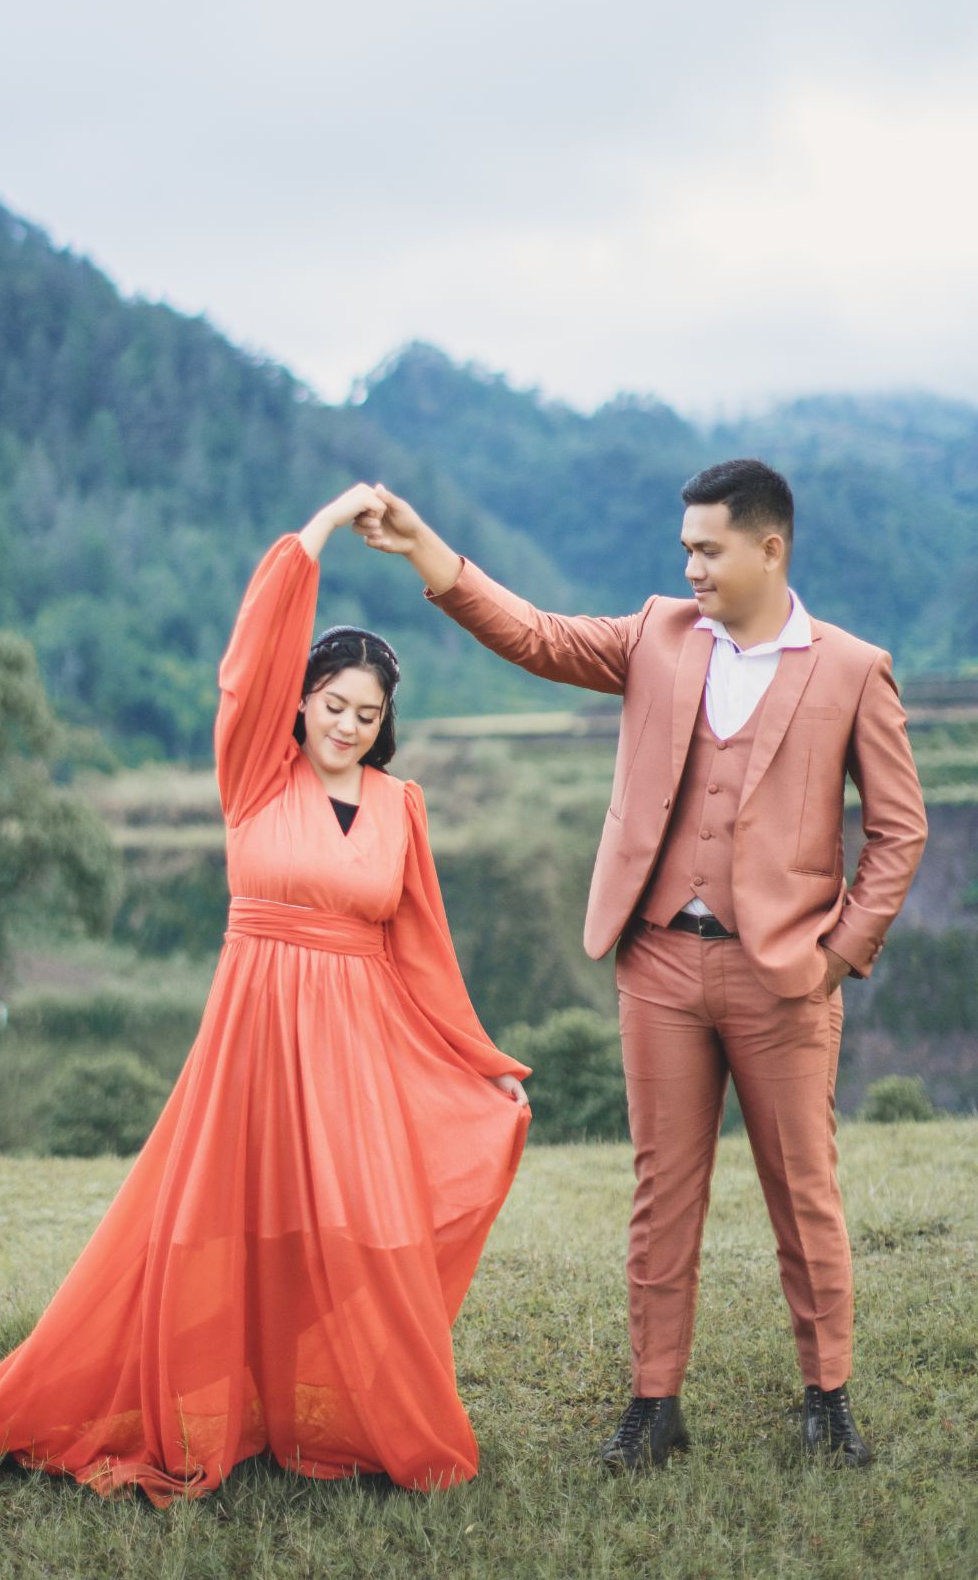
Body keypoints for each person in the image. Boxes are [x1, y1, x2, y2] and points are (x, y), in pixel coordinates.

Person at [0, 483, 530, 1504]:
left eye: (368, 714)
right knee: (221, 1220)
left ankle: (364, 1420)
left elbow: (422, 953)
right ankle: (211, 1407)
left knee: (366, 1230)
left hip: (354, 1048)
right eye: (333, 705)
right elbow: (250, 659)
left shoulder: (401, 806)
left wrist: (479, 1065)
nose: (348, 725)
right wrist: (319, 529)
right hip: (256, 1035)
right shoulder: (255, 777)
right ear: (299, 702)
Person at [358, 459, 927, 1472]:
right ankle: (653, 1404)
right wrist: (423, 551)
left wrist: (837, 955)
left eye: (708, 549)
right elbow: (535, 635)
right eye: (685, 550)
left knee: (803, 1192)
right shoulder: (658, 635)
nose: (690, 568)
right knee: (662, 1193)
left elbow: (898, 830)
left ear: (770, 549)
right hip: (657, 963)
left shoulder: (850, 669)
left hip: (783, 977)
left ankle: (827, 1399)